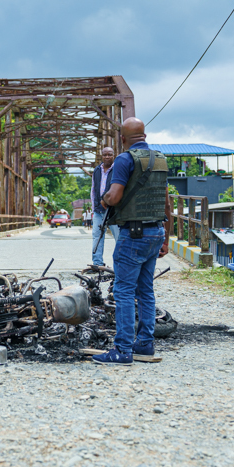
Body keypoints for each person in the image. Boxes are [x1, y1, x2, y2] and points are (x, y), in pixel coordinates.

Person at [92, 118, 171, 365]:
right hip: (156, 232)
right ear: (144, 135)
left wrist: (104, 200)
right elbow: (166, 202)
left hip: (133, 234)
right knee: (145, 290)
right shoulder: (160, 159)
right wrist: (166, 239)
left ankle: (123, 349)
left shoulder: (125, 159)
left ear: (123, 139)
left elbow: (114, 196)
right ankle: (145, 344)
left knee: (123, 290)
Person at [91, 147, 120, 266]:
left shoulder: (118, 169)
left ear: (114, 155)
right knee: (97, 236)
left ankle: (120, 263)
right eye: (105, 155)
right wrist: (94, 208)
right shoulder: (97, 170)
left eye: (110, 154)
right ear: (101, 156)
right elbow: (93, 190)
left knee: (119, 237)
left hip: (113, 210)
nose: (107, 157)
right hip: (98, 210)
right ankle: (97, 263)